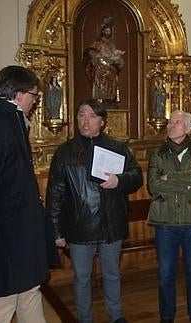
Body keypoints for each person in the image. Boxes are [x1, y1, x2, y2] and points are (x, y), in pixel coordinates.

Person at [0, 65, 53, 323]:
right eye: (35, 96)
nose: (35, 103)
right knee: (1, 304)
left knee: (29, 293)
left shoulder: (6, 118)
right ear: (20, 94)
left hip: (19, 235)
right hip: (4, 237)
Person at [46, 99, 143, 323]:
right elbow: (55, 195)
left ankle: (116, 316)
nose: (85, 120)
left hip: (111, 224)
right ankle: (84, 318)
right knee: (82, 278)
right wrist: (56, 231)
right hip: (80, 226)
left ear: (102, 121)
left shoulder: (118, 148)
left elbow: (136, 177)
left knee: (112, 274)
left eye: (91, 116)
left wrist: (118, 181)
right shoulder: (64, 152)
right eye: (81, 115)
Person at [147, 110, 191, 323]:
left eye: (177, 122)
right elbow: (154, 185)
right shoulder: (158, 153)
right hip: (165, 222)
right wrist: (186, 181)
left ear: (189, 128)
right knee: (165, 275)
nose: (171, 125)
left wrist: (169, 177)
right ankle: (166, 316)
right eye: (170, 122)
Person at [84, 16, 125, 105]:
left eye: (109, 31)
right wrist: (97, 56)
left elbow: (115, 55)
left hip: (111, 68)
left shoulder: (111, 44)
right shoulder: (98, 43)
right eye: (106, 31)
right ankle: (100, 99)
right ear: (103, 31)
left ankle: (110, 99)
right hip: (100, 67)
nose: (107, 32)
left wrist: (117, 60)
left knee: (111, 82)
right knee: (100, 82)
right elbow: (90, 51)